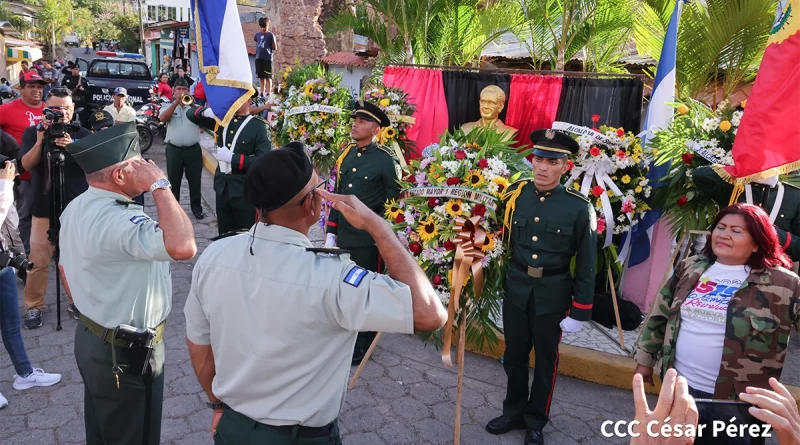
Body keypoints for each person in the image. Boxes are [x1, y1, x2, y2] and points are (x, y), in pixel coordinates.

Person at [184, 142, 447, 444]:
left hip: (234, 428)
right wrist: (379, 227)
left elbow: (198, 344)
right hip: (301, 438)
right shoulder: (333, 277)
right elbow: (430, 314)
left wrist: (217, 404)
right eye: (320, 188)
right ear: (312, 205)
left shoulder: (215, 254)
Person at [60, 122, 196, 444]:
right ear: (120, 176)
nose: (148, 168)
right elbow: (184, 246)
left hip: (92, 338)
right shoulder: (121, 220)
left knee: (103, 430)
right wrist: (160, 185)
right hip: (126, 355)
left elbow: (65, 269)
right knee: (135, 435)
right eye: (140, 165)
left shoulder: (76, 207)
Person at [633, 203, 800, 444]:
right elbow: (660, 315)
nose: (723, 234)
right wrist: (645, 362)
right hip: (680, 390)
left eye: (736, 230)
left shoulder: (784, 284)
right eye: (720, 227)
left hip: (738, 402)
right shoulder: (690, 267)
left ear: (757, 242)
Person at [486, 129, 597, 445]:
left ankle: (536, 420)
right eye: (538, 159)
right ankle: (513, 411)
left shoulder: (578, 207)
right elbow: (490, 227)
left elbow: (588, 263)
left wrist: (580, 310)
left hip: (552, 292)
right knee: (514, 354)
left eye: (552, 161)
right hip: (517, 287)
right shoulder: (515, 194)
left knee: (546, 360)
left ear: (566, 166)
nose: (542, 167)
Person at [324, 100, 402, 365]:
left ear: (376, 128)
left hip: (368, 242)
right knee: (345, 288)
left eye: (362, 121)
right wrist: (331, 231)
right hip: (345, 236)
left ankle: (364, 342)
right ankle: (345, 334)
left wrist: (384, 237)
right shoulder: (346, 154)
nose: (355, 124)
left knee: (366, 290)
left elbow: (394, 206)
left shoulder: (385, 161)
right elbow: (338, 195)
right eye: (355, 119)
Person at [18, 87, 93, 329]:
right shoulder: (34, 133)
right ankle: (33, 305)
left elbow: (95, 168)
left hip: (76, 209)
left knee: (76, 260)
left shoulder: (84, 133)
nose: (61, 113)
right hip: (43, 207)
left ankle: (77, 301)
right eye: (56, 108)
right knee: (37, 260)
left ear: (73, 110)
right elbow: (26, 165)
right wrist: (41, 140)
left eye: (66, 108)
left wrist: (73, 147)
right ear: (46, 110)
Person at [0, 161, 61, 410]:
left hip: (2, 259)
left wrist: (16, 252)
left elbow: (9, 218)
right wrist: (5, 185)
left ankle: (24, 374)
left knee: (12, 324)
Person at [191, 101, 271, 234]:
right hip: (222, 188)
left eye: (239, 98)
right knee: (224, 234)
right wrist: (206, 111)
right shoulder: (222, 121)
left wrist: (232, 158)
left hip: (243, 191)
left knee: (244, 235)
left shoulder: (258, 126)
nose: (233, 101)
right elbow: (191, 115)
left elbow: (263, 161)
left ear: (249, 100)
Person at [693, 166, 800, 261]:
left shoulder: (795, 196)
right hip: (725, 262)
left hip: (767, 271)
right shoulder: (735, 187)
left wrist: (769, 232)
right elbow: (700, 175)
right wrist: (741, 169)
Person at [0, 71, 47, 256]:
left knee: (46, 215)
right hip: (22, 177)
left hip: (47, 175)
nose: (36, 90)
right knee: (22, 216)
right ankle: (23, 256)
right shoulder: (6, 110)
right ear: (21, 88)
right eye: (31, 86)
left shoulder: (49, 109)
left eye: (40, 87)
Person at [160, 78, 205, 220]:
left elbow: (203, 123)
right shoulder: (167, 106)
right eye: (178, 89)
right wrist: (175, 103)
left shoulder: (195, 107)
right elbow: (162, 118)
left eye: (184, 89)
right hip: (175, 150)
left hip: (193, 150)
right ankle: (174, 209)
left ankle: (197, 208)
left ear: (188, 91)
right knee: (174, 180)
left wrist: (190, 103)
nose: (181, 92)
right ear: (173, 91)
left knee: (195, 180)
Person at [254, 17, 277, 97]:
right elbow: (257, 44)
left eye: (264, 27)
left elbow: (275, 47)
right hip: (259, 58)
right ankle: (261, 93)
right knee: (261, 77)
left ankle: (268, 93)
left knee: (268, 77)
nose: (263, 28)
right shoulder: (257, 35)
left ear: (268, 25)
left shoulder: (271, 35)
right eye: (261, 27)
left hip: (267, 59)